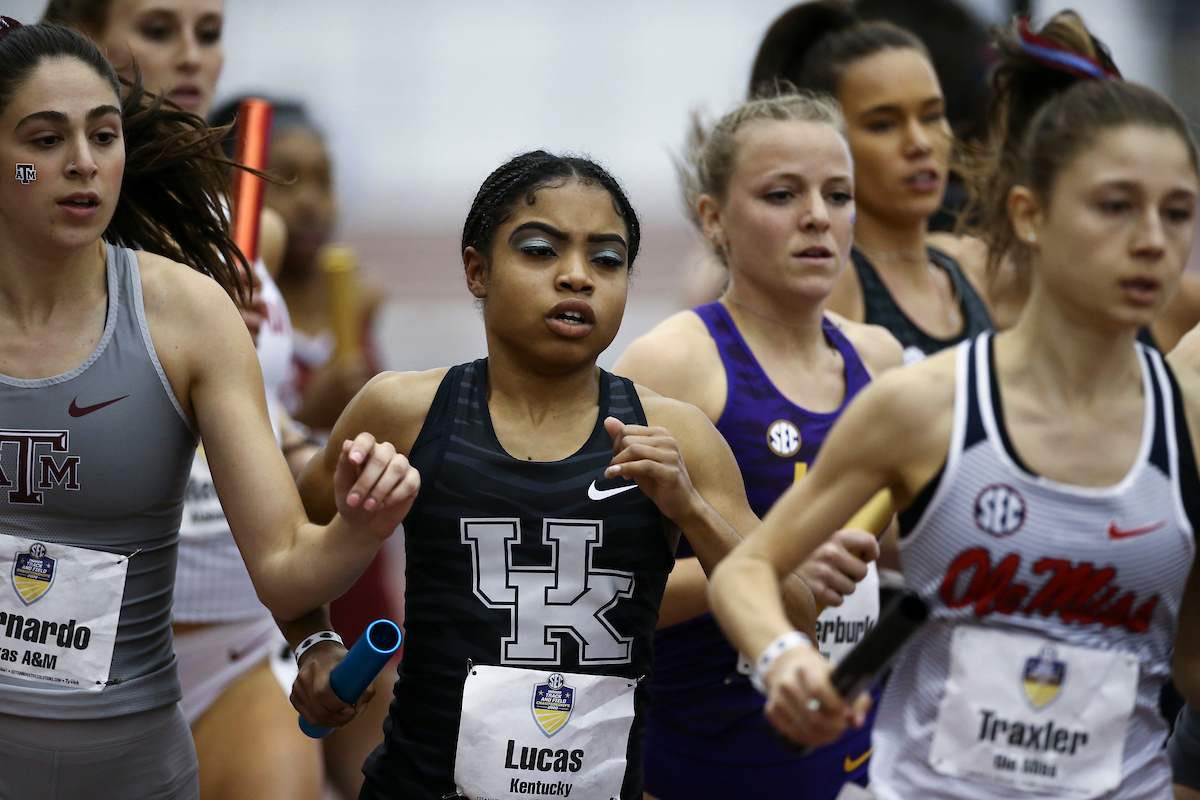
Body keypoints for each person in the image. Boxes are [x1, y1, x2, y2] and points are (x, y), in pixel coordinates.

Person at [708, 11, 1200, 800]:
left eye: (1178, 212)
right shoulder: (924, 403)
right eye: (1114, 206)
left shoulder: (1187, 416)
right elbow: (750, 570)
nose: (1151, 240)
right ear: (1028, 213)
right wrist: (785, 660)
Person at [280, 150, 819, 800]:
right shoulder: (402, 410)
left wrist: (691, 511)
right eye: (540, 251)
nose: (577, 277)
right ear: (477, 269)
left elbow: (794, 613)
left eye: (607, 259)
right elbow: (289, 543)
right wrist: (315, 644)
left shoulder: (676, 437)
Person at [0, 20, 412, 799]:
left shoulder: (192, 310)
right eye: (45, 141)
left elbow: (287, 563)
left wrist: (360, 521)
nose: (84, 163)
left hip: (155, 744)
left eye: (105, 135)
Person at [612, 92, 902, 800]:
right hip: (698, 767)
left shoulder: (882, 361)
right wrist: (774, 565)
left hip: (854, 759)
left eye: (838, 195)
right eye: (782, 194)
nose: (816, 217)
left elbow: (901, 559)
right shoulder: (672, 363)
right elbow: (598, 600)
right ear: (714, 218)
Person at [210, 94, 400, 800]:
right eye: (287, 180)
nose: (314, 202)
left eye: (324, 179)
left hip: (348, 560)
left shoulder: (358, 295)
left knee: (367, 763)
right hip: (250, 578)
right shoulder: (209, 301)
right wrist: (314, 415)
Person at [749, 0, 993, 364]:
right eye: (883, 124)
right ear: (831, 141)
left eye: (932, 116)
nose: (920, 143)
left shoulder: (970, 268)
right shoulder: (835, 284)